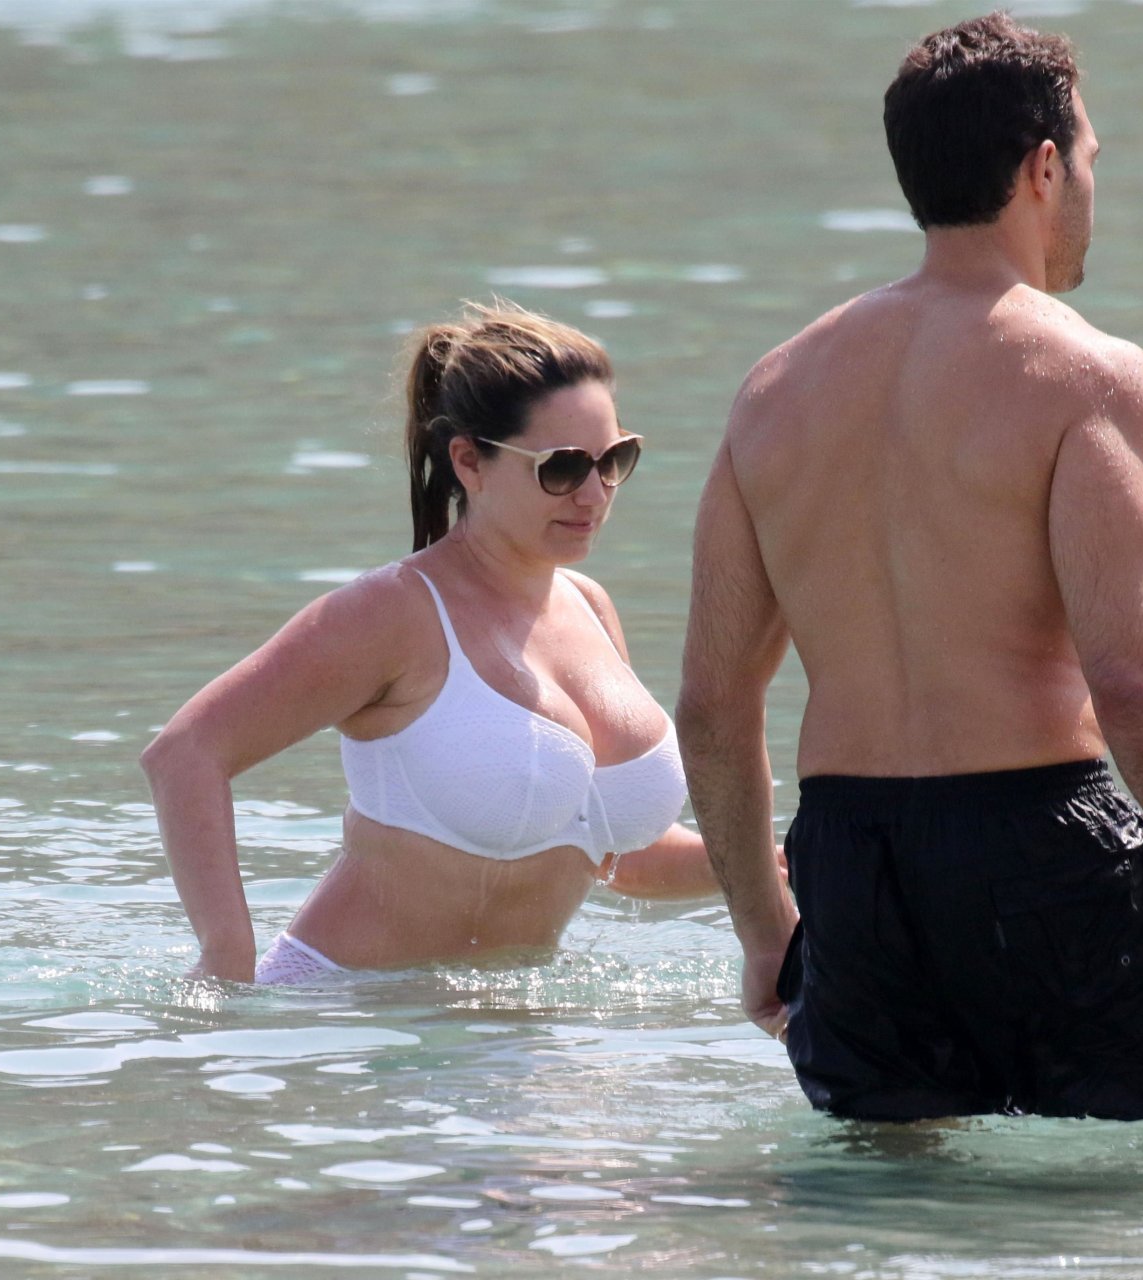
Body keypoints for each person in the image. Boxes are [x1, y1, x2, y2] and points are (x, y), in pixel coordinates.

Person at [677, 13, 1143, 1124]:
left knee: (904, 1197)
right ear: (1043, 167)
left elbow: (709, 701)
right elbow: (1134, 677)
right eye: (1090, 159)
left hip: (850, 865)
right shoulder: (1086, 376)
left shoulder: (773, 392)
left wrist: (763, 929)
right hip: (1035, 843)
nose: (1092, 188)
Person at [143, 301, 719, 984]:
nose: (594, 494)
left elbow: (604, 849)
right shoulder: (395, 614)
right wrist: (227, 962)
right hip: (342, 1015)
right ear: (470, 462)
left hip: (513, 1028)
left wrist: (783, 865)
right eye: (563, 467)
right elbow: (185, 753)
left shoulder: (591, 608)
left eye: (614, 459)